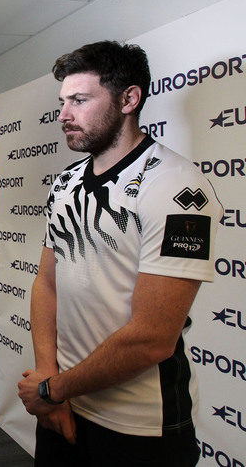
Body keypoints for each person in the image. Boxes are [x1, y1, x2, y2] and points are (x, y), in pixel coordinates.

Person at [17, 41, 222, 466]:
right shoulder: (67, 181)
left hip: (138, 426)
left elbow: (151, 338)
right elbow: (46, 283)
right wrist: (48, 381)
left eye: (80, 100)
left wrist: (50, 390)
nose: (64, 115)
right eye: (62, 102)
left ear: (129, 99)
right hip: (64, 403)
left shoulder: (176, 189)